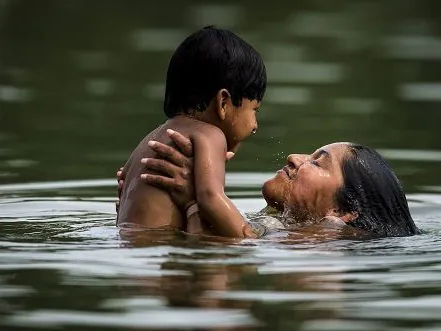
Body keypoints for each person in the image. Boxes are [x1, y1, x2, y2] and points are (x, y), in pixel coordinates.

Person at [118, 129, 419, 238]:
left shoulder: (320, 248)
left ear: (344, 211)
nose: (293, 157)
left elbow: (210, 261)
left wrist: (196, 200)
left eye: (317, 161)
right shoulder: (287, 230)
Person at [117, 26, 267, 238]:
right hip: (163, 250)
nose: (255, 125)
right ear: (223, 102)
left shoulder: (150, 140)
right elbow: (210, 198)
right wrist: (247, 235)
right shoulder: (210, 135)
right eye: (254, 110)